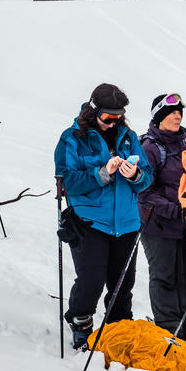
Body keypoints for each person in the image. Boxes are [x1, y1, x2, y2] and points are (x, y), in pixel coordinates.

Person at [54, 83, 152, 350]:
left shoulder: (129, 136)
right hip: (90, 223)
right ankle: (81, 321)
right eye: (108, 117)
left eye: (119, 117)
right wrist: (103, 173)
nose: (114, 123)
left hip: (128, 223)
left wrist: (135, 175)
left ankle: (119, 326)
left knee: (123, 283)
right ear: (93, 111)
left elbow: (147, 178)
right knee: (91, 281)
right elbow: (66, 182)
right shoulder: (73, 138)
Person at [137, 92, 186, 345]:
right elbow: (144, 192)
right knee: (164, 276)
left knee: (183, 276)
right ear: (159, 117)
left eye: (180, 112)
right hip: (157, 225)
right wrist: (174, 210)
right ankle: (169, 332)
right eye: (172, 112)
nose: (178, 116)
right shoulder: (150, 147)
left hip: (184, 224)